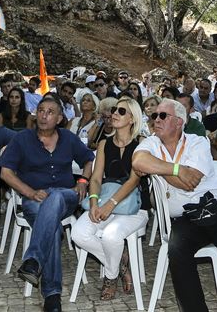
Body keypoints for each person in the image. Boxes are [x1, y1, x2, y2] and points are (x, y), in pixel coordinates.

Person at [131, 100, 217, 311]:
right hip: (185, 218)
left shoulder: (197, 142)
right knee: (177, 250)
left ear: (179, 122)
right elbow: (138, 162)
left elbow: (192, 182)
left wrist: (158, 168)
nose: (156, 120)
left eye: (163, 116)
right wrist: (178, 169)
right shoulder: (151, 143)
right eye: (154, 116)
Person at [0, 96, 94, 312]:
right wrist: (30, 192)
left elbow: (89, 159)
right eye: (41, 110)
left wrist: (82, 180)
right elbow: (6, 172)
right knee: (52, 228)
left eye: (50, 112)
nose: (44, 115)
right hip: (35, 199)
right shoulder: (22, 139)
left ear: (60, 118)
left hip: (66, 197)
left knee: (57, 197)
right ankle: (52, 296)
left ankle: (33, 259)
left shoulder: (69, 139)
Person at [72, 97, 144, 300]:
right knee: (78, 234)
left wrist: (110, 205)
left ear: (132, 119)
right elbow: (96, 178)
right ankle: (121, 264)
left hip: (134, 207)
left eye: (121, 111)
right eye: (114, 110)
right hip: (105, 200)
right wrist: (94, 203)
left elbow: (134, 180)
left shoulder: (142, 144)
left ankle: (110, 277)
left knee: (112, 236)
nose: (114, 114)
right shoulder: (104, 143)